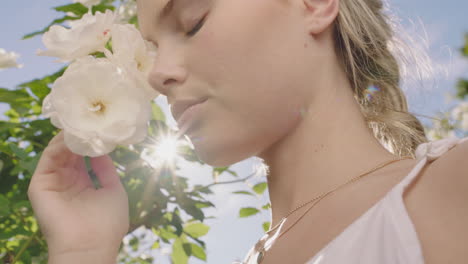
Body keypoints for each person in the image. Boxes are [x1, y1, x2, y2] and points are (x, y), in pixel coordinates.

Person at [28, 0, 468, 263]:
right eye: (152, 49)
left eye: (193, 20)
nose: (158, 74)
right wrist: (82, 253)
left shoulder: (453, 187)